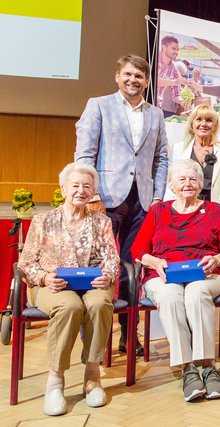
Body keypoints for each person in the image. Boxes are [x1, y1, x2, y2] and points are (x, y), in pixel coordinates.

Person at [75, 54, 169, 357]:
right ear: (118, 76)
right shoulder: (98, 105)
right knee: (96, 267)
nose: (133, 80)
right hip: (105, 200)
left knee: (132, 268)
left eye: (139, 76)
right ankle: (95, 338)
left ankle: (130, 335)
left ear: (146, 81)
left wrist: (156, 197)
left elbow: (161, 158)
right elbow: (85, 154)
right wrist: (92, 195)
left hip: (142, 201)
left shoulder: (156, 113)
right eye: (128, 74)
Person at [131, 159, 220, 402]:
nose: (188, 184)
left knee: (196, 292)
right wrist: (155, 262)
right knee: (170, 295)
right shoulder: (158, 212)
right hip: (163, 275)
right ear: (172, 184)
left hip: (206, 273)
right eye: (182, 179)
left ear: (200, 184)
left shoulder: (215, 211)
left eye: (193, 179)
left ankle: (207, 364)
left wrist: (218, 258)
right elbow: (137, 250)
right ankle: (188, 368)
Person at [18, 163, 119, 416]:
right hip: (54, 285)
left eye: (87, 186)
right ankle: (55, 380)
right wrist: (43, 278)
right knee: (69, 306)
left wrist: (106, 276)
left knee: (98, 304)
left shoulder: (102, 221)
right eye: (75, 185)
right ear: (63, 188)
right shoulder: (43, 221)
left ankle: (93, 375)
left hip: (93, 284)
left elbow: (112, 258)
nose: (81, 191)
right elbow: (26, 263)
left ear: (93, 190)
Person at [164, 104, 220, 209]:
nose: (203, 124)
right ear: (192, 123)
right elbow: (171, 183)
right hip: (183, 209)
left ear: (215, 125)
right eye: (199, 119)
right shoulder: (179, 149)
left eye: (209, 120)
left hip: (212, 210)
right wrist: (171, 209)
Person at [157, 35, 186, 117]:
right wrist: (175, 82)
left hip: (157, 107)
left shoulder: (174, 69)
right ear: (164, 47)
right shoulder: (154, 59)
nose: (176, 52)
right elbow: (154, 81)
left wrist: (182, 102)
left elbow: (176, 95)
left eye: (177, 49)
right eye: (173, 48)